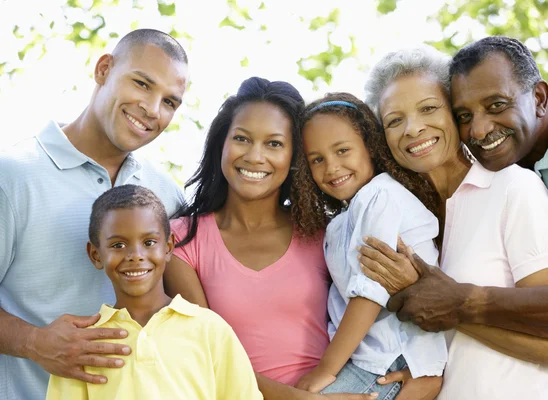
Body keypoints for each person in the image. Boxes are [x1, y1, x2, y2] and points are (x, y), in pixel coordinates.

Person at [360, 36, 548, 400]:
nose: (413, 128)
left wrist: (441, 300)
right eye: (395, 119)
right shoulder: (404, 217)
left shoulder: (514, 186)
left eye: (428, 109)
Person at [0, 29, 188, 399]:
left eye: (169, 102)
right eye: (142, 84)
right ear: (103, 69)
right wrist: (33, 342)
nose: (152, 109)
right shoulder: (13, 177)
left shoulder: (168, 195)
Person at [163, 77, 374, 400]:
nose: (255, 156)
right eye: (242, 139)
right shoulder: (181, 240)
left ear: (294, 158)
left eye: (274, 144)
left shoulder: (323, 232)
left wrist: (412, 370)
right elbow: (206, 357)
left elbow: (375, 310)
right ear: (222, 143)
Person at [291, 93, 446, 400]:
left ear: (370, 147)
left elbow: (371, 292)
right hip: (367, 356)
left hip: (391, 357)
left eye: (342, 150)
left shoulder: (381, 196)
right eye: (317, 159)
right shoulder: (340, 221)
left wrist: (326, 369)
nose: (332, 167)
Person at [46, 184, 262, 399]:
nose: (135, 255)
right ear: (95, 255)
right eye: (118, 245)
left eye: (149, 242)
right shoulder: (81, 344)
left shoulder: (210, 329)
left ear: (168, 248)